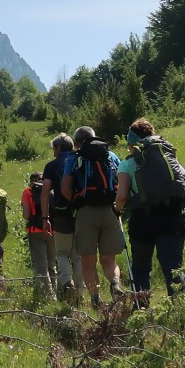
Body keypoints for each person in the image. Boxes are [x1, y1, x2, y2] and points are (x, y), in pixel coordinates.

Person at [114, 117, 185, 300]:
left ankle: (141, 310)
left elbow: (122, 196)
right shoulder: (168, 157)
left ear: (131, 143)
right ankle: (182, 311)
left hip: (143, 220)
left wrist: (117, 209)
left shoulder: (128, 163)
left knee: (141, 268)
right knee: (173, 266)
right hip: (173, 217)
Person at [61, 126, 126, 306]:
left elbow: (65, 188)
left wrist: (77, 201)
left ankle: (95, 299)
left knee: (88, 262)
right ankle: (115, 283)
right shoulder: (110, 156)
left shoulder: (75, 158)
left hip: (86, 211)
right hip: (110, 211)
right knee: (109, 259)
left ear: (77, 142)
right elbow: (121, 183)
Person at [41, 133, 81, 302]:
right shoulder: (79, 161)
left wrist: (45, 218)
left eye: (53, 148)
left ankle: (67, 283)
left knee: (62, 253)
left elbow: (44, 193)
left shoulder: (51, 165)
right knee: (78, 255)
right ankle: (81, 293)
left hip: (61, 214)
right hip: (80, 213)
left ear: (57, 148)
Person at [19, 171, 57, 294]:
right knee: (52, 264)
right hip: (52, 230)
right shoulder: (51, 191)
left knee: (41, 265)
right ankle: (55, 290)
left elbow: (26, 215)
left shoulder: (28, 192)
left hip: (35, 231)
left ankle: (48, 296)